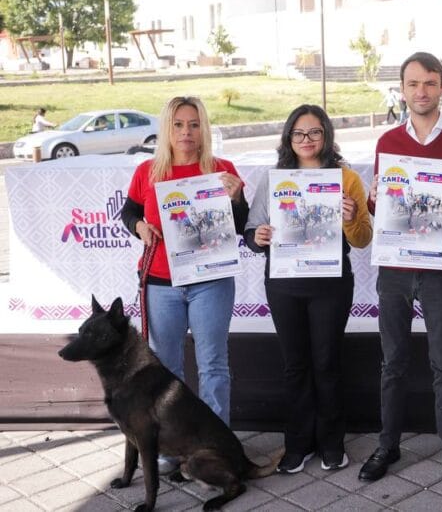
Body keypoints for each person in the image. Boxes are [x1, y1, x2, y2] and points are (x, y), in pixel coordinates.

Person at [358, 53, 442, 486]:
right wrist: (374, 198)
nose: (421, 91)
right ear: (402, 88)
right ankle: (387, 445)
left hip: (439, 268)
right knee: (392, 363)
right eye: (413, 83)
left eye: (430, 83)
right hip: (394, 268)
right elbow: (380, 207)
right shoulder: (388, 141)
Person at [120, 95, 249, 472]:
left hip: (211, 280)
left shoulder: (222, 169)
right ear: (167, 128)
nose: (186, 132)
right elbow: (129, 211)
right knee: (166, 369)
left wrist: (236, 198)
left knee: (213, 364)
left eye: (193, 124)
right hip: (161, 283)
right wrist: (139, 226)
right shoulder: (148, 171)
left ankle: (217, 445)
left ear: (203, 128)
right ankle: (172, 446)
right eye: (178, 124)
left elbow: (239, 226)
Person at [243, 104, 372, 474]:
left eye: (315, 132)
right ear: (288, 138)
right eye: (299, 133)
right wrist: (258, 237)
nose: (307, 139)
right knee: (295, 365)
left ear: (326, 135)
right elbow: (252, 232)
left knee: (327, 363)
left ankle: (332, 443)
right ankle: (298, 444)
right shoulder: (274, 179)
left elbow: (362, 239)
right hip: (284, 283)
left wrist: (351, 218)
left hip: (331, 285)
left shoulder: (346, 178)